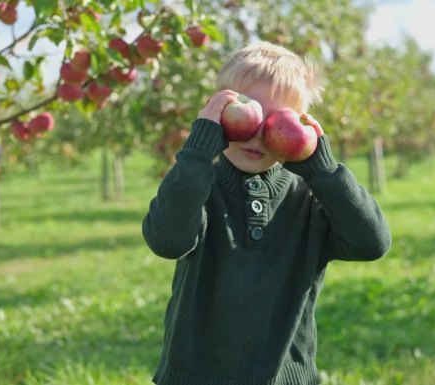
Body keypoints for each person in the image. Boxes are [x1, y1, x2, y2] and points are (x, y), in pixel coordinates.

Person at [142, 41, 392, 385]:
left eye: (277, 120)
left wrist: (323, 170)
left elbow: (372, 243)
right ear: (216, 112)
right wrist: (198, 152)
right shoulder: (198, 184)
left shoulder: (311, 198)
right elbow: (167, 240)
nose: (258, 133)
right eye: (245, 111)